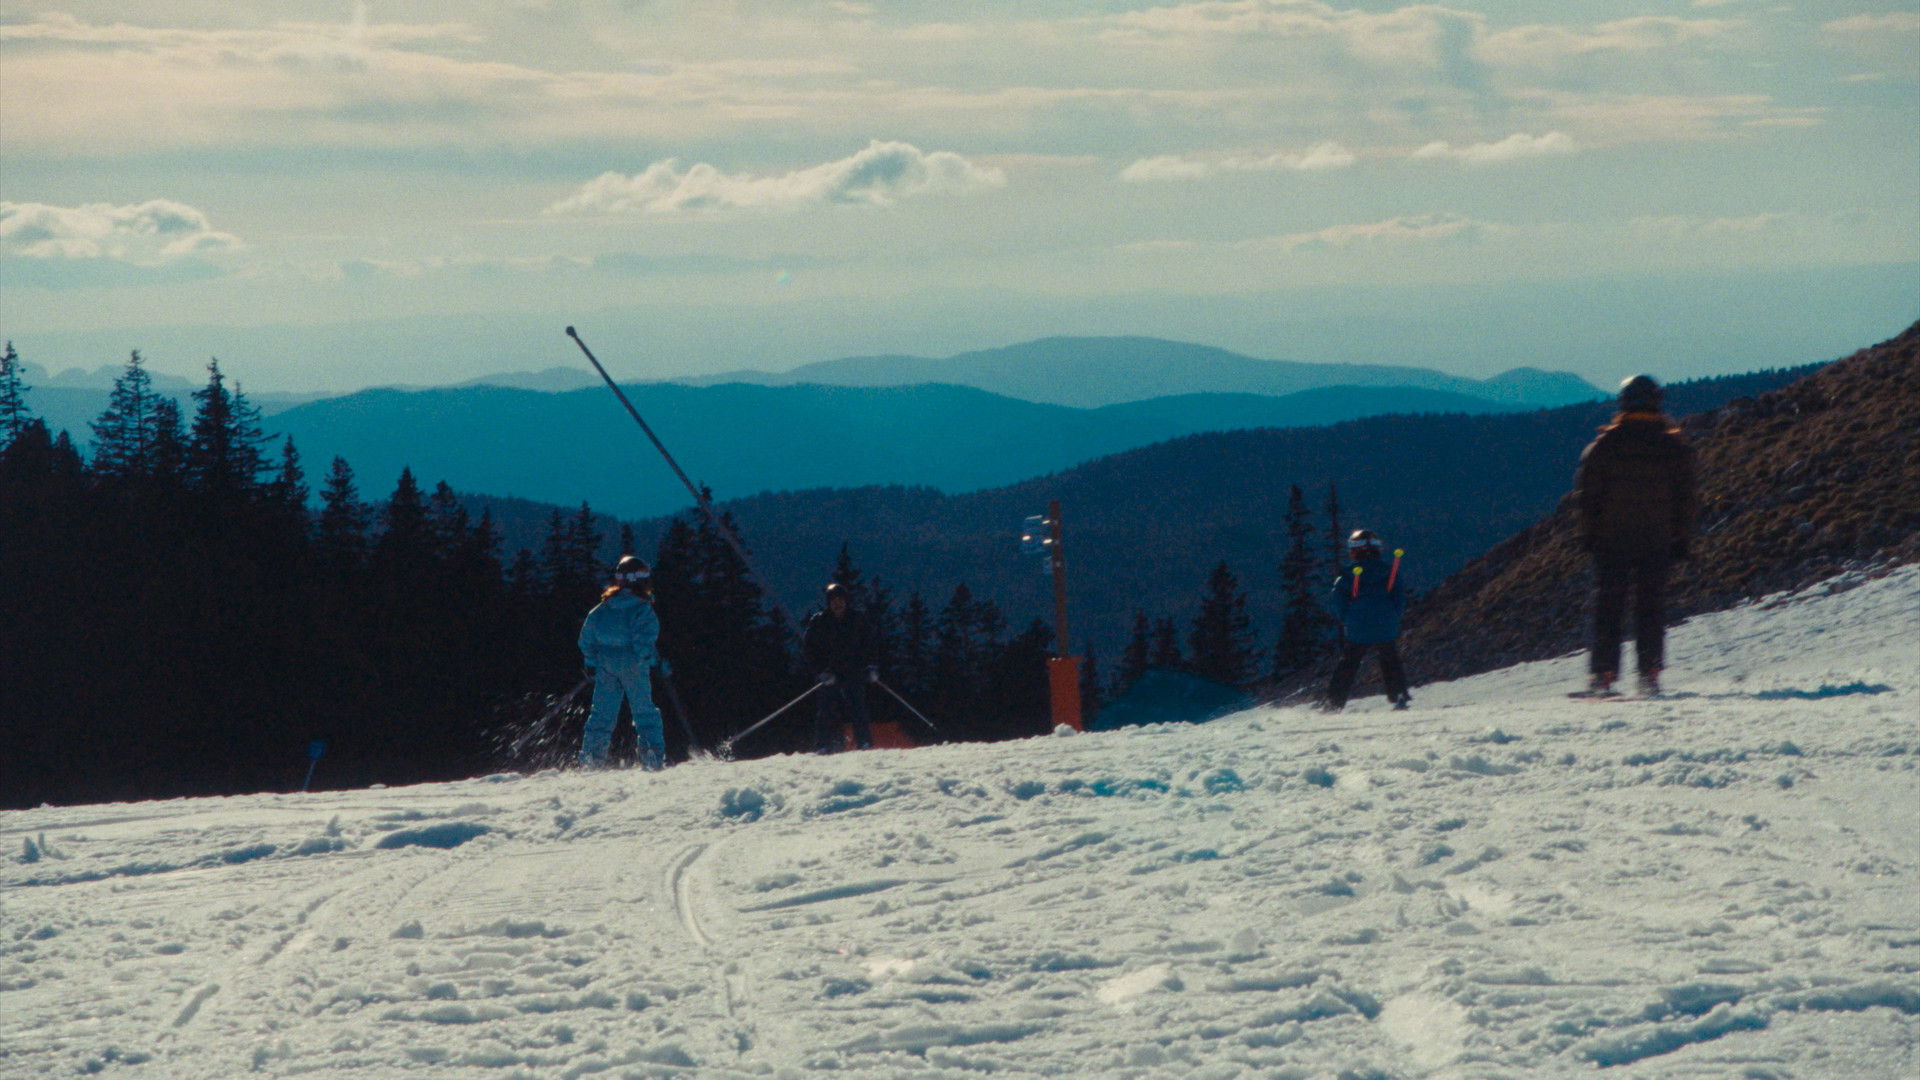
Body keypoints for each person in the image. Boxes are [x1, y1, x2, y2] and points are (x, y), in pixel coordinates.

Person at [1574, 375, 1696, 697]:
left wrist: (1589, 535)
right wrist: (1681, 539)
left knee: (1608, 607)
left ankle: (1603, 677)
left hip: (1611, 541)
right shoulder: (1674, 448)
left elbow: (1588, 498)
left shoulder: (1604, 446)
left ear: (1623, 403)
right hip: (1657, 540)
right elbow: (1685, 500)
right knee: (1651, 608)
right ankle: (1649, 675)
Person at [577, 555, 669, 769]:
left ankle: (591, 759)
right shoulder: (642, 608)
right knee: (644, 712)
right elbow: (643, 640)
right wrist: (653, 661)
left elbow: (587, 637)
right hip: (633, 665)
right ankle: (652, 758)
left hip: (605, 665)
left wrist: (590, 662)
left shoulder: (603, 608)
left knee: (601, 714)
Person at [1326, 529, 1411, 711]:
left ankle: (1334, 703)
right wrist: (1392, 616)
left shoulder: (1346, 576)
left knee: (1349, 663)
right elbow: (1399, 598)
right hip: (1385, 625)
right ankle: (1399, 696)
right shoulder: (1389, 572)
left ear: (1354, 551)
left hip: (1358, 626)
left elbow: (1338, 602)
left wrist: (1348, 618)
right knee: (1390, 659)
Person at [802, 581, 879, 753]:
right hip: (829, 673)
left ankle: (864, 743)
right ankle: (823, 745)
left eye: (841, 600)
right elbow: (809, 650)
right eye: (834, 600)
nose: (838, 604)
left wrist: (871, 666)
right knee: (826, 710)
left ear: (846, 601)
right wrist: (820, 672)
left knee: (859, 709)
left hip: (853, 670)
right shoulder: (819, 621)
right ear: (829, 602)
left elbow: (870, 644)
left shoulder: (857, 619)